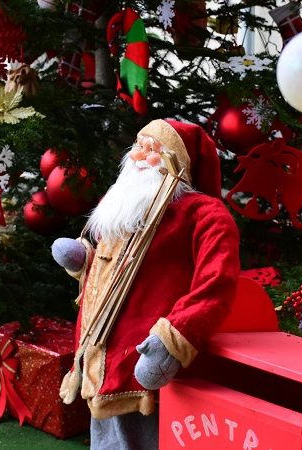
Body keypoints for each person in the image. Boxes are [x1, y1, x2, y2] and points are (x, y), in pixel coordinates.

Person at [51, 119, 240, 450]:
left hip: (145, 353)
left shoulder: (204, 214)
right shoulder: (124, 199)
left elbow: (215, 285)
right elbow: (111, 265)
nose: (140, 155)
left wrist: (171, 341)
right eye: (139, 146)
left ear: (178, 162)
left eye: (153, 150)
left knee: (146, 434)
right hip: (100, 349)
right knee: (106, 433)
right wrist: (84, 260)